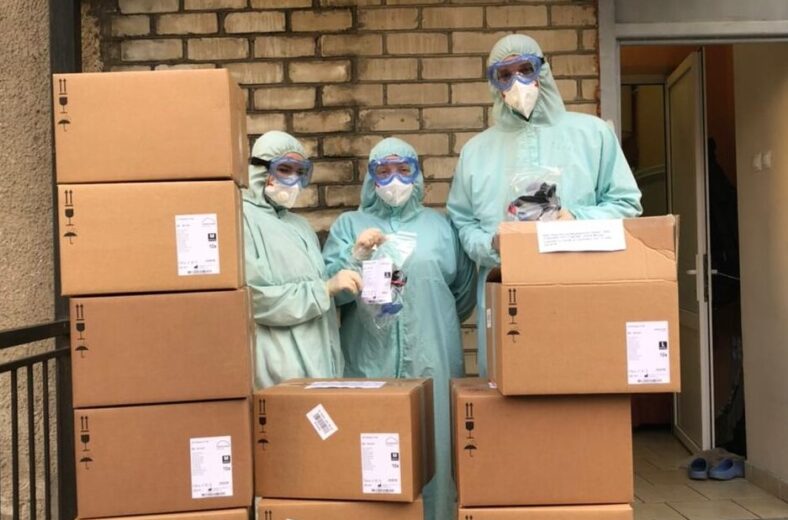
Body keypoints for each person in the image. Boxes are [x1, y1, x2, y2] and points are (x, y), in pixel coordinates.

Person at [447, 34, 643, 377]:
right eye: (505, 75)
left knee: (579, 382)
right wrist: (492, 243)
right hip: (507, 294)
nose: (517, 82)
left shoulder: (593, 134)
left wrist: (575, 219)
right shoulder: (475, 152)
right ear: (494, 84)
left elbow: (627, 204)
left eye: (526, 69)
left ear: (544, 71)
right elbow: (463, 222)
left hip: (579, 286)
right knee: (509, 388)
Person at [323, 137, 477, 520]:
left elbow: (462, 293)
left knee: (435, 447)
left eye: (404, 169)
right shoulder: (349, 226)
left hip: (432, 358)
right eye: (384, 170)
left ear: (418, 175)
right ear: (370, 177)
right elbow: (332, 294)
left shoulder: (440, 227)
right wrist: (355, 257)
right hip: (368, 360)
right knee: (373, 452)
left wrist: (432, 321)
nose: (395, 179)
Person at [244, 130, 362, 388]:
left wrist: (355, 258)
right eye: (284, 169)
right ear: (259, 169)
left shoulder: (300, 225)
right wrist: (324, 290)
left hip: (321, 363)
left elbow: (322, 287)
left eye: (300, 172)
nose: (293, 180)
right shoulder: (242, 219)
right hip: (280, 369)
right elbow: (254, 299)